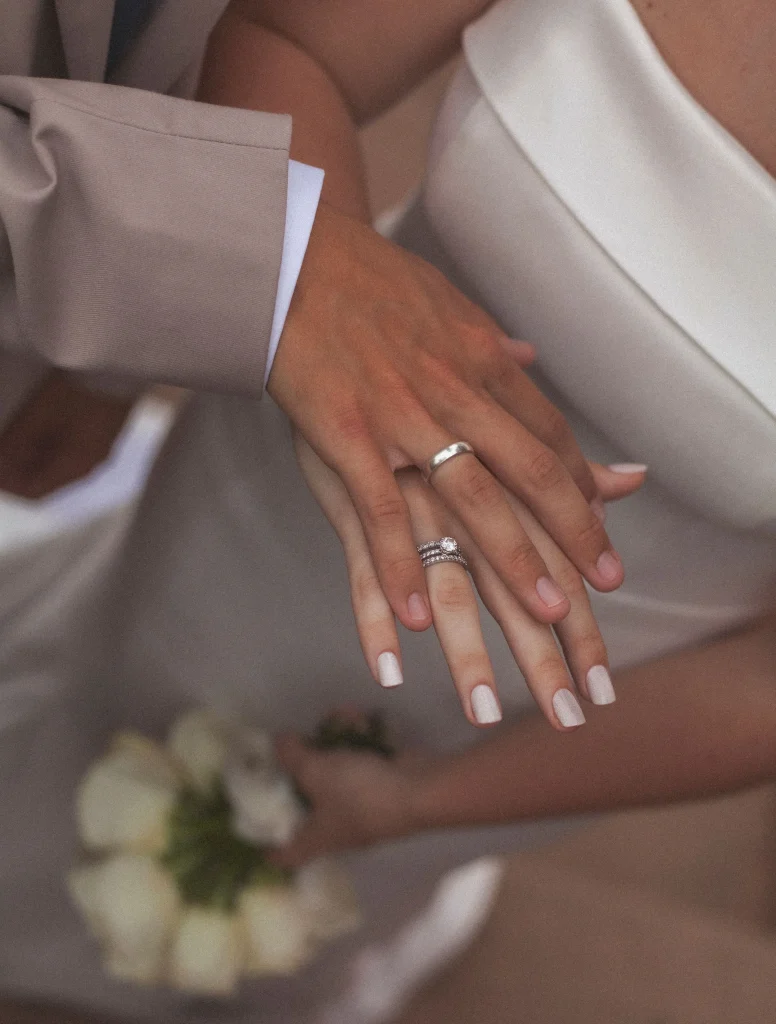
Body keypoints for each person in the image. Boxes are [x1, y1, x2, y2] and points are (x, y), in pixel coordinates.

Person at [1, 1, 774, 1023]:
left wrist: (420, 804)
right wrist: (312, 289)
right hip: (268, 488)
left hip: (547, 705)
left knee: (292, 915)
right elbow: (289, 43)